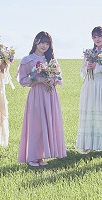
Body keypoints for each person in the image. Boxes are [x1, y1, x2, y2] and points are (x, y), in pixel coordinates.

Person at [17, 31, 66, 167]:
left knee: (49, 123)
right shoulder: (27, 60)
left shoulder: (51, 60)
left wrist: (53, 80)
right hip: (37, 95)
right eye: (42, 42)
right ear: (36, 42)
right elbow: (22, 80)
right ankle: (32, 157)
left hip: (50, 95)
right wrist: (38, 79)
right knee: (36, 125)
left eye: (47, 43)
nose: (44, 46)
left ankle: (41, 156)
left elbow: (59, 78)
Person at [76, 26, 102, 153]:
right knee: (89, 111)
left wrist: (98, 67)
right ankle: (87, 144)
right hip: (89, 85)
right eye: (94, 37)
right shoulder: (89, 52)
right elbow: (81, 72)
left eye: (99, 36)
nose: (97, 39)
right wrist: (88, 67)